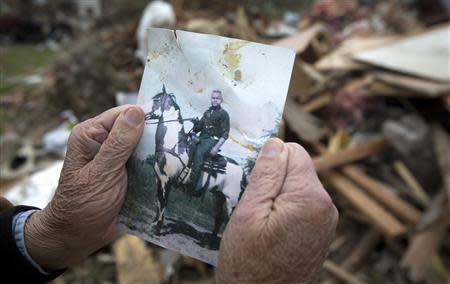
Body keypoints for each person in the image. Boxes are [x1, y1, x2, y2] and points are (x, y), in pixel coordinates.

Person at [0, 105, 338, 283]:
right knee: (187, 141)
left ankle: (193, 172)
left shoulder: (221, 115)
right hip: (200, 133)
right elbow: (200, 124)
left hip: (214, 142)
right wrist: (55, 234)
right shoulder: (209, 111)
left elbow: (217, 132)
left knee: (201, 151)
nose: (216, 103)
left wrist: (44, 237)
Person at [188, 90, 230, 194]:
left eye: (217, 98)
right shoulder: (207, 112)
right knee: (188, 145)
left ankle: (191, 187)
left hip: (212, 140)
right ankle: (183, 175)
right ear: (211, 99)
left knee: (199, 153)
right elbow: (198, 128)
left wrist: (216, 148)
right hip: (202, 138)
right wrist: (195, 123)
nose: (215, 100)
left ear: (221, 100)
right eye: (213, 98)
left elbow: (225, 134)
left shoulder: (224, 114)